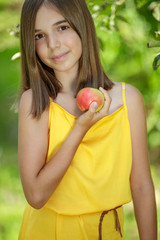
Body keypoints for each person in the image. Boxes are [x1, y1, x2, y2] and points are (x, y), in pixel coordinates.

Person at [18, 0, 157, 239]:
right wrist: (79, 129)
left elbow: (142, 186)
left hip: (106, 231)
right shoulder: (36, 102)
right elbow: (36, 196)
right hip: (46, 232)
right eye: (39, 35)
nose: (53, 44)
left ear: (83, 26)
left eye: (62, 27)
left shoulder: (128, 99)